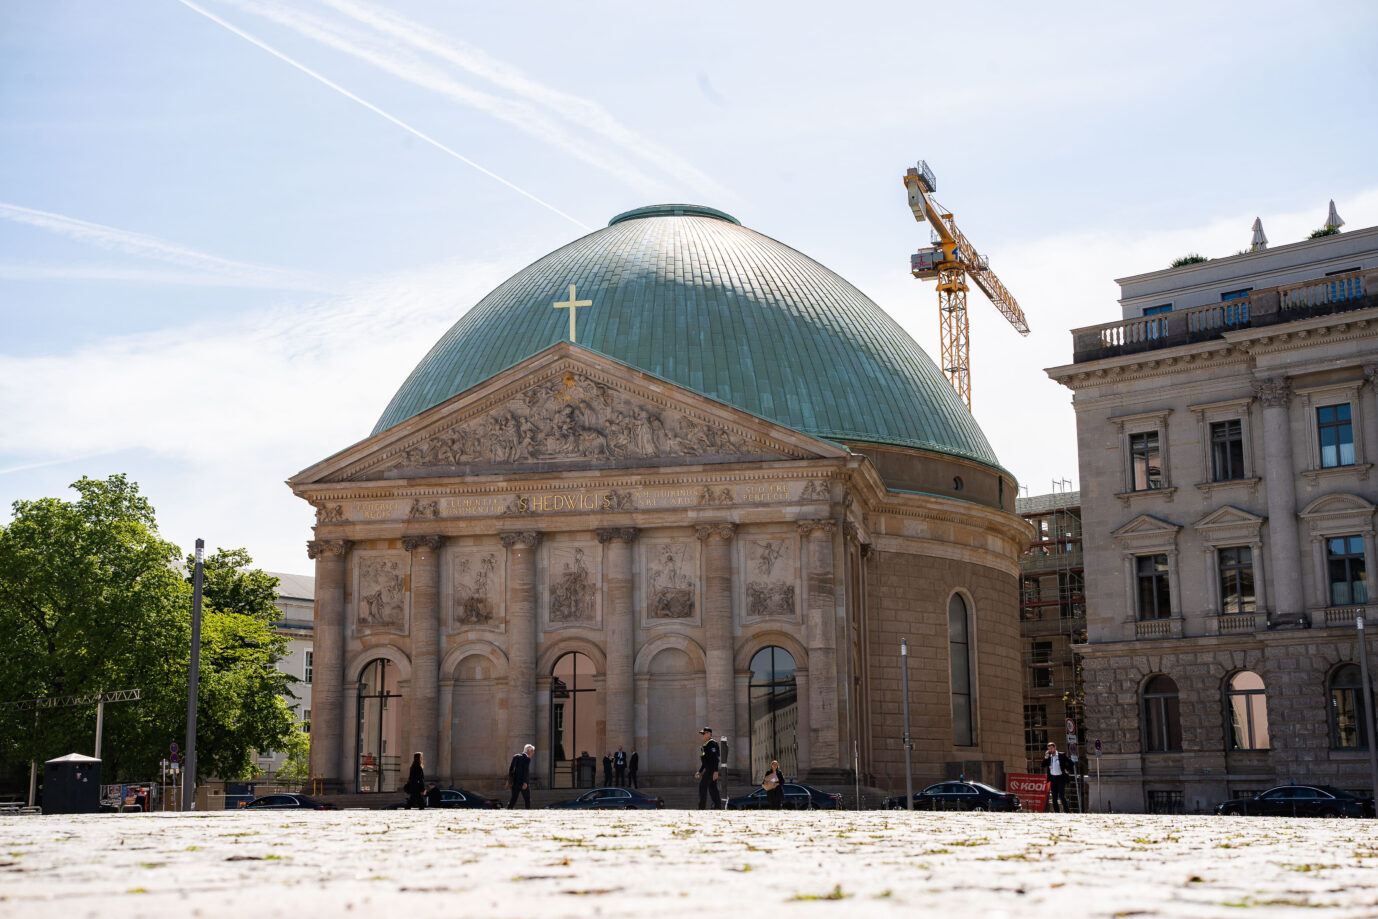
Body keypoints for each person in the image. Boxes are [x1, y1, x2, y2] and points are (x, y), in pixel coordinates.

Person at [694, 726, 721, 810]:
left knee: (703, 786)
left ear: (709, 734)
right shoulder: (706, 745)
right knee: (713, 789)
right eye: (702, 734)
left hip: (711, 770)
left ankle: (701, 808)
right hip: (709, 769)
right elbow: (705, 761)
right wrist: (700, 771)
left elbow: (715, 759)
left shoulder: (712, 744)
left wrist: (716, 771)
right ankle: (717, 807)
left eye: (704, 733)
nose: (702, 735)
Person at [1043, 741, 1074, 813]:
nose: (1050, 750)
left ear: (1055, 748)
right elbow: (1043, 765)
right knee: (1054, 796)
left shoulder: (1061, 755)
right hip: (1053, 778)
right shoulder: (1049, 757)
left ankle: (1067, 811)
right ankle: (1057, 812)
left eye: (1051, 748)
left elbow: (1071, 763)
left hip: (1060, 777)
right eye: (1049, 749)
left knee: (1061, 795)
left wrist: (1067, 769)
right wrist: (1046, 757)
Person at [508, 743, 534, 809]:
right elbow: (525, 771)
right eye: (532, 751)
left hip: (515, 782)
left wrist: (510, 780)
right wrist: (525, 782)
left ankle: (508, 809)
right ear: (528, 750)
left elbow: (511, 769)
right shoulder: (527, 759)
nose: (532, 753)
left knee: (513, 799)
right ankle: (528, 812)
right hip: (523, 783)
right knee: (527, 799)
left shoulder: (515, 756)